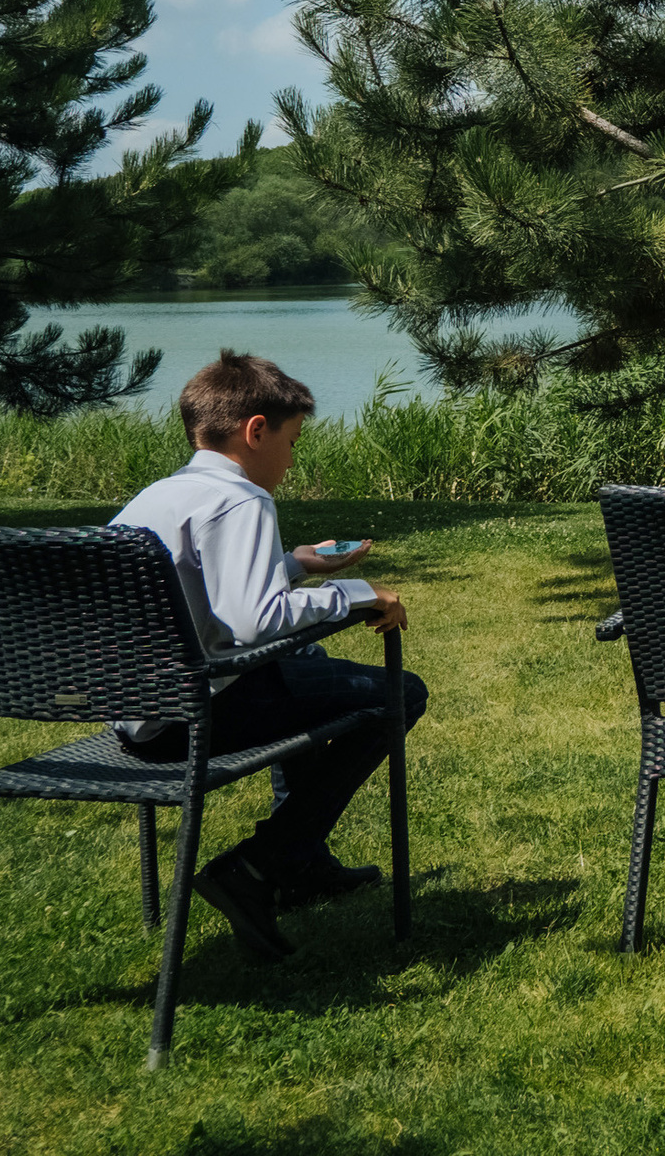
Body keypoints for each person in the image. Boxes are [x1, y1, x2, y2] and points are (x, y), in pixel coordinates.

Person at [111, 351, 425, 963]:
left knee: (304, 667)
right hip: (193, 719)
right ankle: (258, 867)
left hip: (138, 716)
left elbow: (208, 596)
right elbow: (256, 621)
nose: (290, 457)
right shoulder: (244, 500)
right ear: (256, 431)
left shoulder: (160, 497)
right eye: (291, 441)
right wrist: (359, 594)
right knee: (400, 693)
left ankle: (301, 863)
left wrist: (294, 563)